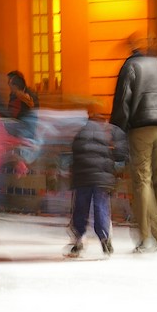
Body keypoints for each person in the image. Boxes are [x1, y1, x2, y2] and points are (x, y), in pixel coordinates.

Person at [110, 30, 157, 253]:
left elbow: (123, 100)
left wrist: (119, 128)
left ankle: (145, 234)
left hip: (142, 126)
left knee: (142, 180)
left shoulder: (131, 65)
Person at [65, 104, 129, 258]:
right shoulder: (111, 130)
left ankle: (78, 239)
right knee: (101, 207)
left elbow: (73, 153)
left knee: (81, 207)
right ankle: (104, 237)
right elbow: (122, 152)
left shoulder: (80, 131)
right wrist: (116, 166)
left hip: (82, 177)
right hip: (102, 177)